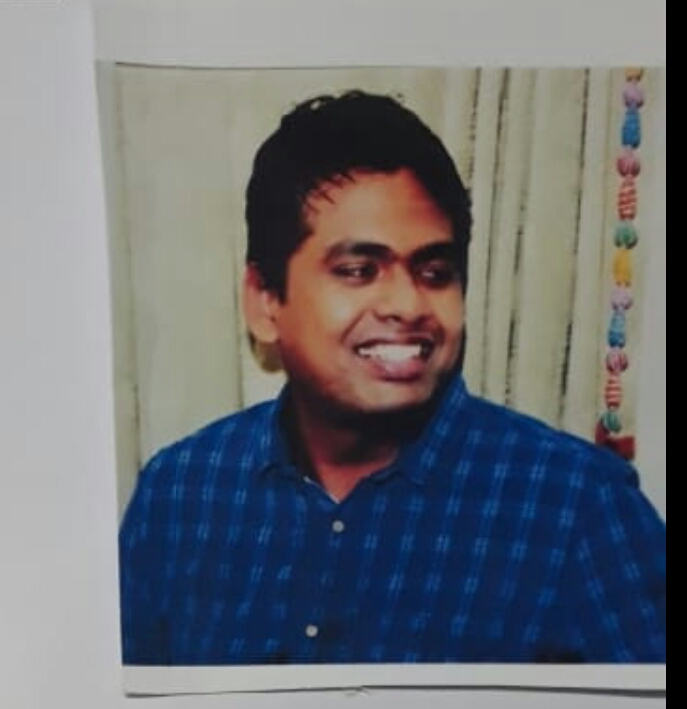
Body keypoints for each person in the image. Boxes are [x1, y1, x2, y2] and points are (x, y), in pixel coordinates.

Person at [118, 90, 666, 666]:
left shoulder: (578, 507)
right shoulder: (180, 494)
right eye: (359, 270)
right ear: (265, 302)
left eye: (435, 272)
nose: (407, 305)